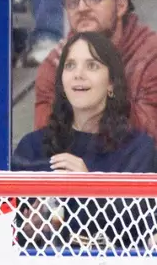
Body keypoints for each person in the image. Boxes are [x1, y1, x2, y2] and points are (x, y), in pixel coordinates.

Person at [15, 31, 157, 250]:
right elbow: (5, 235)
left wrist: (90, 188)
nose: (78, 74)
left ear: (111, 84)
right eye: (70, 66)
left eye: (92, 66)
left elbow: (142, 231)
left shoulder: (138, 149)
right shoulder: (32, 147)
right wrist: (26, 232)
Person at [34, 0, 157, 141]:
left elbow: (152, 141)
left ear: (122, 5)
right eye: (73, 1)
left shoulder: (151, 55)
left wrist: (98, 98)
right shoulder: (55, 64)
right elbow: (45, 142)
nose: (82, 8)